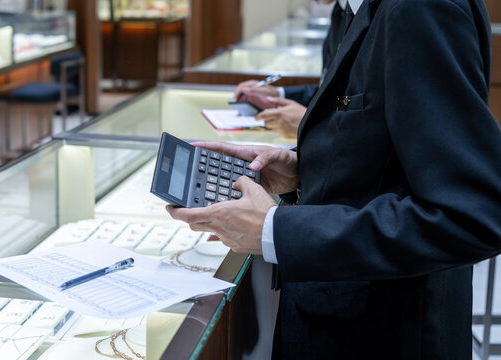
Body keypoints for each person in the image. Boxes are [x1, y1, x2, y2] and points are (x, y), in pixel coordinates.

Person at [168, 0, 501, 358]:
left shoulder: (419, 7)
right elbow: (388, 153)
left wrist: (276, 230)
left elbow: (471, 216)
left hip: (383, 334)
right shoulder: (369, 10)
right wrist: (302, 171)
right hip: (345, 317)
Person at [235, 0, 351, 138]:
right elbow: (335, 94)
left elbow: (367, 109)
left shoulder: (368, 14)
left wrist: (312, 124)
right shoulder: (341, 11)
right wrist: (276, 94)